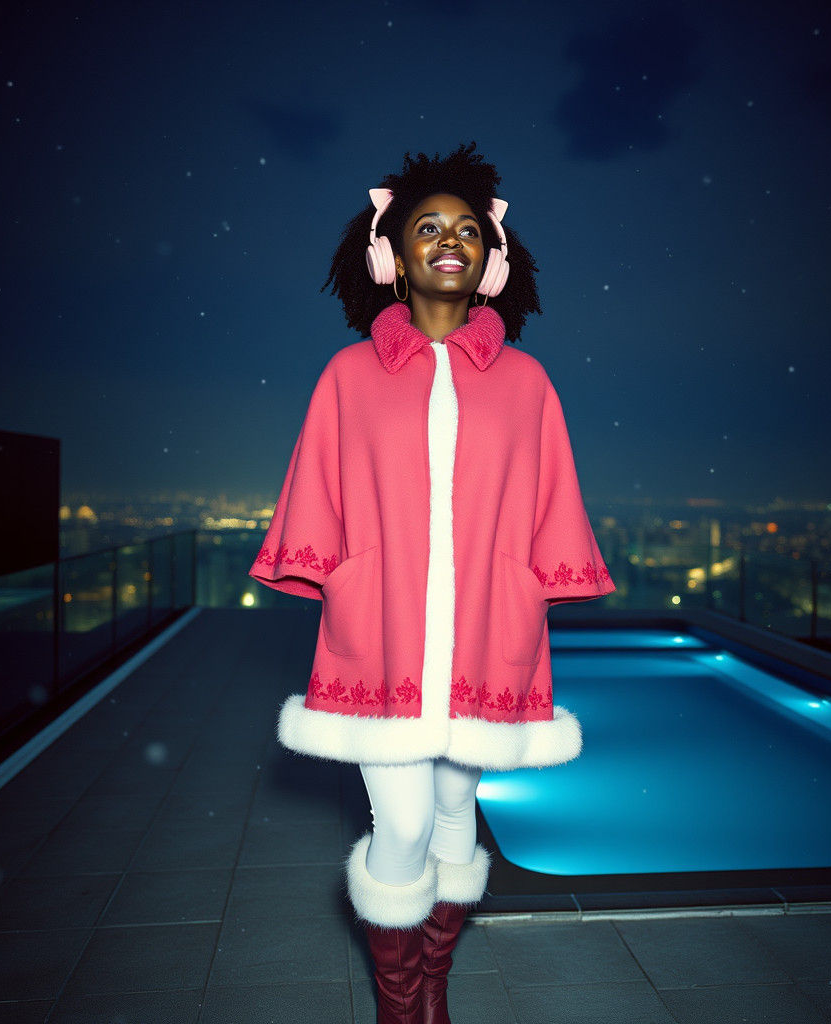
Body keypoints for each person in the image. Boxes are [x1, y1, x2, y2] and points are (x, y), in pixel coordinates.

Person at [249, 143, 614, 1024]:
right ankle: (398, 1001)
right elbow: (317, 500)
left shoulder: (529, 385)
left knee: (457, 817)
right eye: (425, 227)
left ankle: (436, 982)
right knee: (403, 824)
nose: (448, 240)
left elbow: (554, 505)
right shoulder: (347, 377)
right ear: (391, 256)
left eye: (465, 230)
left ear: (491, 260)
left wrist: (534, 591)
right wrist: (341, 581)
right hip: (380, 642)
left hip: (494, 639)